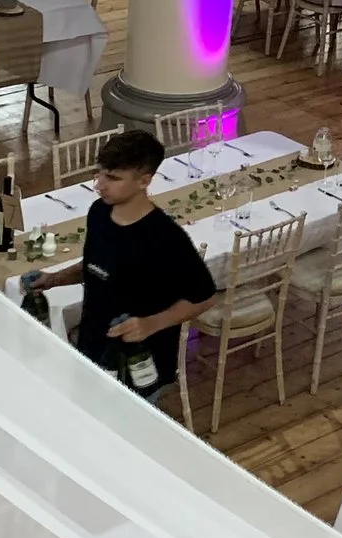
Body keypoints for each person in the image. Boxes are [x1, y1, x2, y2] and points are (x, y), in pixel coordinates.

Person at [20, 130, 216, 401]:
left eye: (112, 178)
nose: (99, 185)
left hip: (140, 360)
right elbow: (96, 264)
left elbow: (204, 297)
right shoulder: (99, 212)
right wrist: (54, 279)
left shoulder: (166, 237)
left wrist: (150, 324)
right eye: (99, 174)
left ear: (144, 181)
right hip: (93, 344)